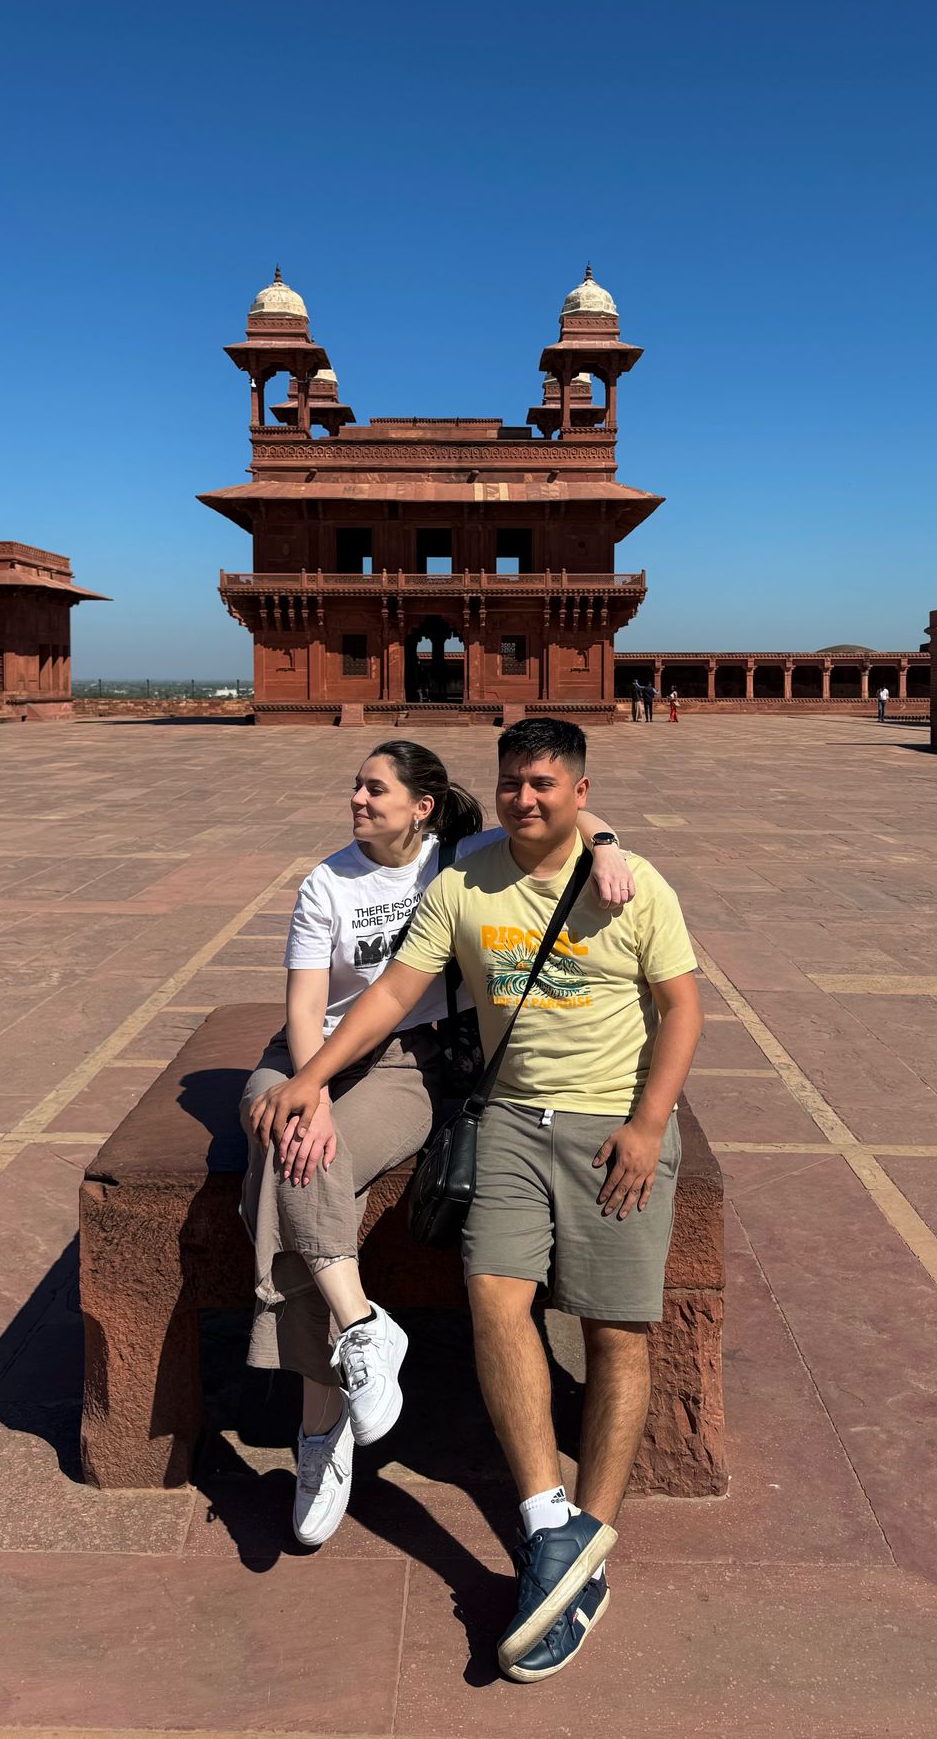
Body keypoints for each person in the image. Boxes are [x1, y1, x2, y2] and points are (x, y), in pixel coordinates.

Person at [253, 718, 703, 1681]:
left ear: (581, 792)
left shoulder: (634, 883)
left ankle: (592, 1535)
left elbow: (684, 1007)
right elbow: (388, 994)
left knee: (619, 1332)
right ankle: (547, 1518)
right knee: (496, 1299)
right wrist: (313, 1078)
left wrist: (650, 1125)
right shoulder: (462, 879)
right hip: (507, 1121)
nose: (525, 799)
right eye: (511, 784)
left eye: (545, 784)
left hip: (609, 1125)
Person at [238, 740, 631, 1554]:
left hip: (403, 1063)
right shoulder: (326, 882)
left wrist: (609, 845)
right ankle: (361, 1333)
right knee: (285, 1140)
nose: (355, 798)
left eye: (373, 788)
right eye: (353, 784)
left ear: (422, 806)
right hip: (306, 1053)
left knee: (290, 1172)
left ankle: (320, 1428)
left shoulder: (455, 860)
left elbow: (554, 812)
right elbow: (306, 1003)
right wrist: (308, 1088)